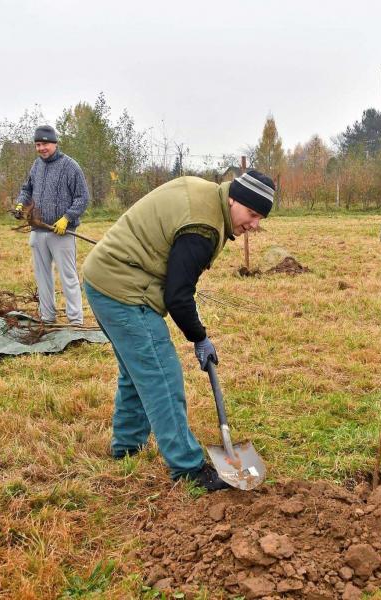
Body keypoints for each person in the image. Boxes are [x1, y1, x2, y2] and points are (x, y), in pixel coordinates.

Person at [82, 170, 275, 491]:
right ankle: (188, 469)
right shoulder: (203, 229)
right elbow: (178, 296)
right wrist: (199, 337)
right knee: (161, 376)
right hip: (123, 288)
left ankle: (127, 447)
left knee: (137, 371)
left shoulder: (206, 195)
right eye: (252, 213)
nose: (255, 224)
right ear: (233, 199)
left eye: (261, 217)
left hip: (102, 278)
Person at [13, 125, 90, 326]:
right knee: (42, 276)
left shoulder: (71, 167)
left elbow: (82, 198)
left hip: (62, 233)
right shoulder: (36, 165)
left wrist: (67, 218)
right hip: (38, 231)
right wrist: (21, 203)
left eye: (45, 144)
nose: (41, 148)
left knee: (68, 276)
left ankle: (75, 321)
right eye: (38, 144)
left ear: (54, 143)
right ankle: (47, 317)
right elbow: (26, 188)